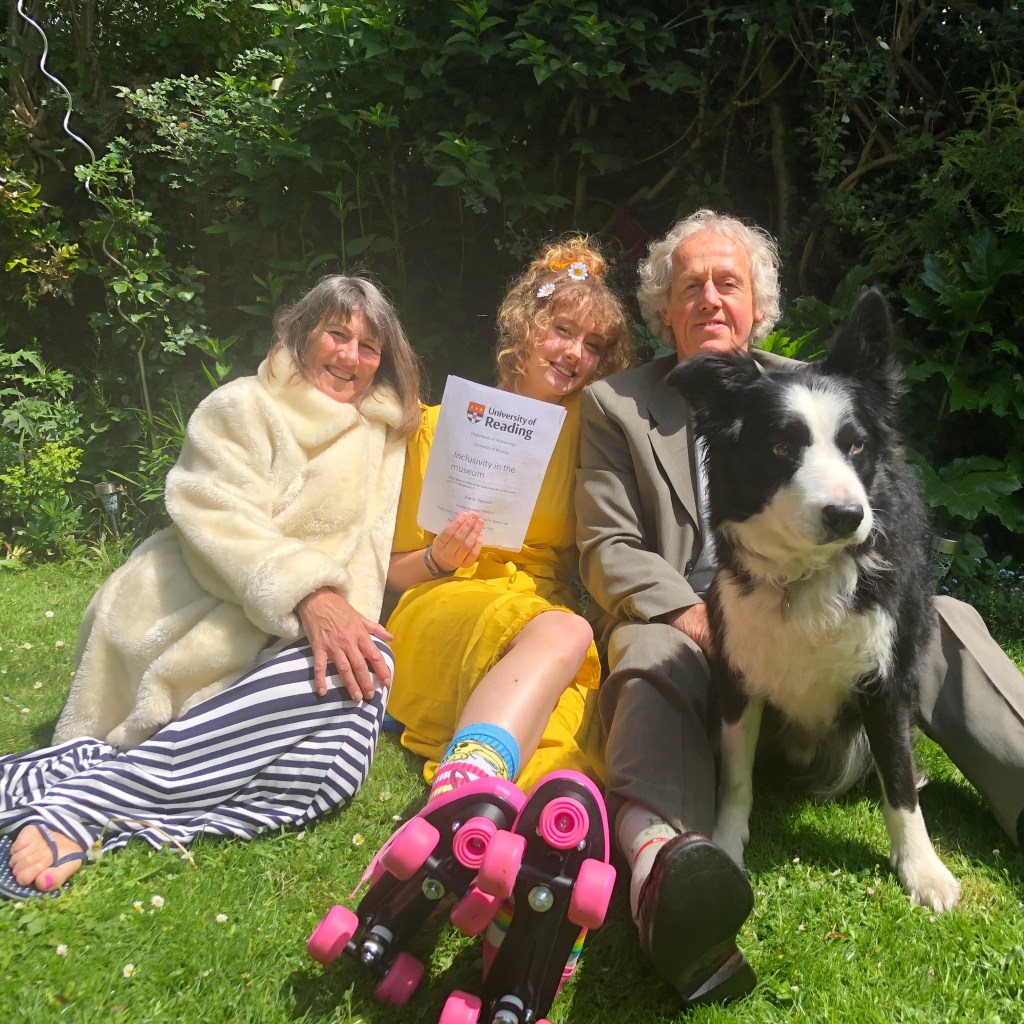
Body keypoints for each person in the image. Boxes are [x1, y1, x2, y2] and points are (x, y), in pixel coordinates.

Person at [575, 208, 1024, 1006]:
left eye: (728, 282)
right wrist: (695, 613)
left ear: (758, 305)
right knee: (646, 653)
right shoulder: (616, 404)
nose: (710, 298)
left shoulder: (823, 390)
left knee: (946, 619)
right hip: (702, 620)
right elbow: (608, 545)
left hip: (831, 599)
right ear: (663, 308)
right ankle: (665, 867)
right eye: (690, 285)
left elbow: (878, 492)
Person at [0, 274, 421, 899]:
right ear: (303, 334)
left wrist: (436, 560)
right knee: (366, 661)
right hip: (200, 612)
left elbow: (373, 551)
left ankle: (80, 774)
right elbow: (213, 512)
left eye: (368, 347)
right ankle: (91, 805)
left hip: (289, 645)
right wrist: (309, 594)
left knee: (329, 771)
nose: (350, 356)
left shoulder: (379, 436)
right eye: (337, 334)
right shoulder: (243, 405)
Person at [383, 237, 632, 805]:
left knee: (566, 739)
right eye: (563, 330)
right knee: (567, 635)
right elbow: (392, 573)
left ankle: (493, 823)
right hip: (444, 600)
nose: (575, 353)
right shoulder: (437, 426)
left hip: (541, 614)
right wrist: (436, 558)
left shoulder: (590, 437)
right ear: (526, 325)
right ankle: (462, 788)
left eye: (593, 345)